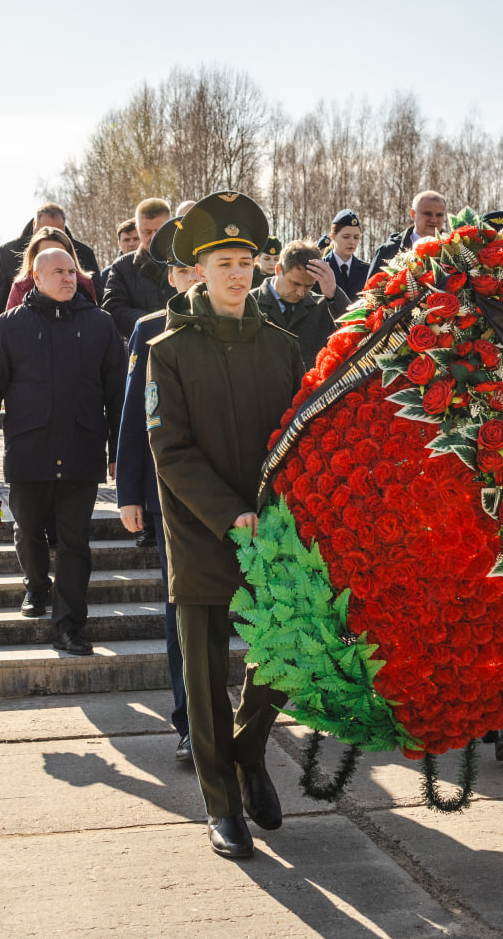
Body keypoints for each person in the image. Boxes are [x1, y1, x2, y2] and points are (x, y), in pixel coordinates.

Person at [147, 191, 304, 859]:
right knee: (206, 675)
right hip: (202, 531)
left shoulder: (284, 348)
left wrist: (278, 511)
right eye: (223, 264)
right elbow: (170, 447)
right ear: (199, 271)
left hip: (271, 531)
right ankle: (221, 804)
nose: (237, 275)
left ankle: (248, 749)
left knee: (286, 652)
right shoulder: (169, 350)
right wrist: (226, 512)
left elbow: (301, 440)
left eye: (245, 262)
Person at [0, 247, 125, 656]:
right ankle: (36, 586)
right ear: (36, 278)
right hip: (29, 450)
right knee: (29, 529)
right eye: (59, 272)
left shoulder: (100, 324)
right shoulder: (11, 324)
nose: (69, 278)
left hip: (81, 449)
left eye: (72, 271)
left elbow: (118, 394)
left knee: (74, 541)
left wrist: (118, 451)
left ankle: (69, 626)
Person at [116, 216, 201, 764]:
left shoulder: (246, 323)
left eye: (202, 268)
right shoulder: (149, 329)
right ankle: (190, 721)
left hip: (232, 493)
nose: (196, 278)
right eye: (186, 270)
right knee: (179, 611)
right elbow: (133, 416)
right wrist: (128, 491)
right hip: (166, 491)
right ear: (172, 277)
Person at [0, 202, 100, 345]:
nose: (51, 234)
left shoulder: (83, 254)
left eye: (58, 231)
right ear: (34, 225)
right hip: (26, 342)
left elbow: (97, 307)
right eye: (44, 230)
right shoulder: (9, 254)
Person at [252, 240, 349, 369]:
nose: (300, 292)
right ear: (278, 269)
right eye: (295, 283)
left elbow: (355, 337)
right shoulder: (250, 304)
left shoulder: (323, 307)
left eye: (309, 286)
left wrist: (334, 294)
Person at [102, 198, 177, 338]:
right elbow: (113, 308)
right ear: (137, 229)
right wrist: (153, 323)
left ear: (170, 227)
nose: (153, 238)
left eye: (159, 230)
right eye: (147, 232)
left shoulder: (187, 261)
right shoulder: (122, 267)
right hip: (142, 342)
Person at [3, 227, 99, 311]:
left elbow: (93, 318)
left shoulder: (84, 283)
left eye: (60, 252)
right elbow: (12, 321)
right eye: (46, 253)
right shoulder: (21, 286)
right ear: (35, 256)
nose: (54, 257)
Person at [366, 190, 448, 278]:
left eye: (439, 215)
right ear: (413, 214)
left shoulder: (453, 251)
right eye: (428, 214)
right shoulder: (388, 251)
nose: (434, 220)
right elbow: (371, 285)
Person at [326, 210, 368, 301]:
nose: (352, 242)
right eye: (346, 237)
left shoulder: (366, 270)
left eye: (356, 237)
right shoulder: (322, 268)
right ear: (333, 236)